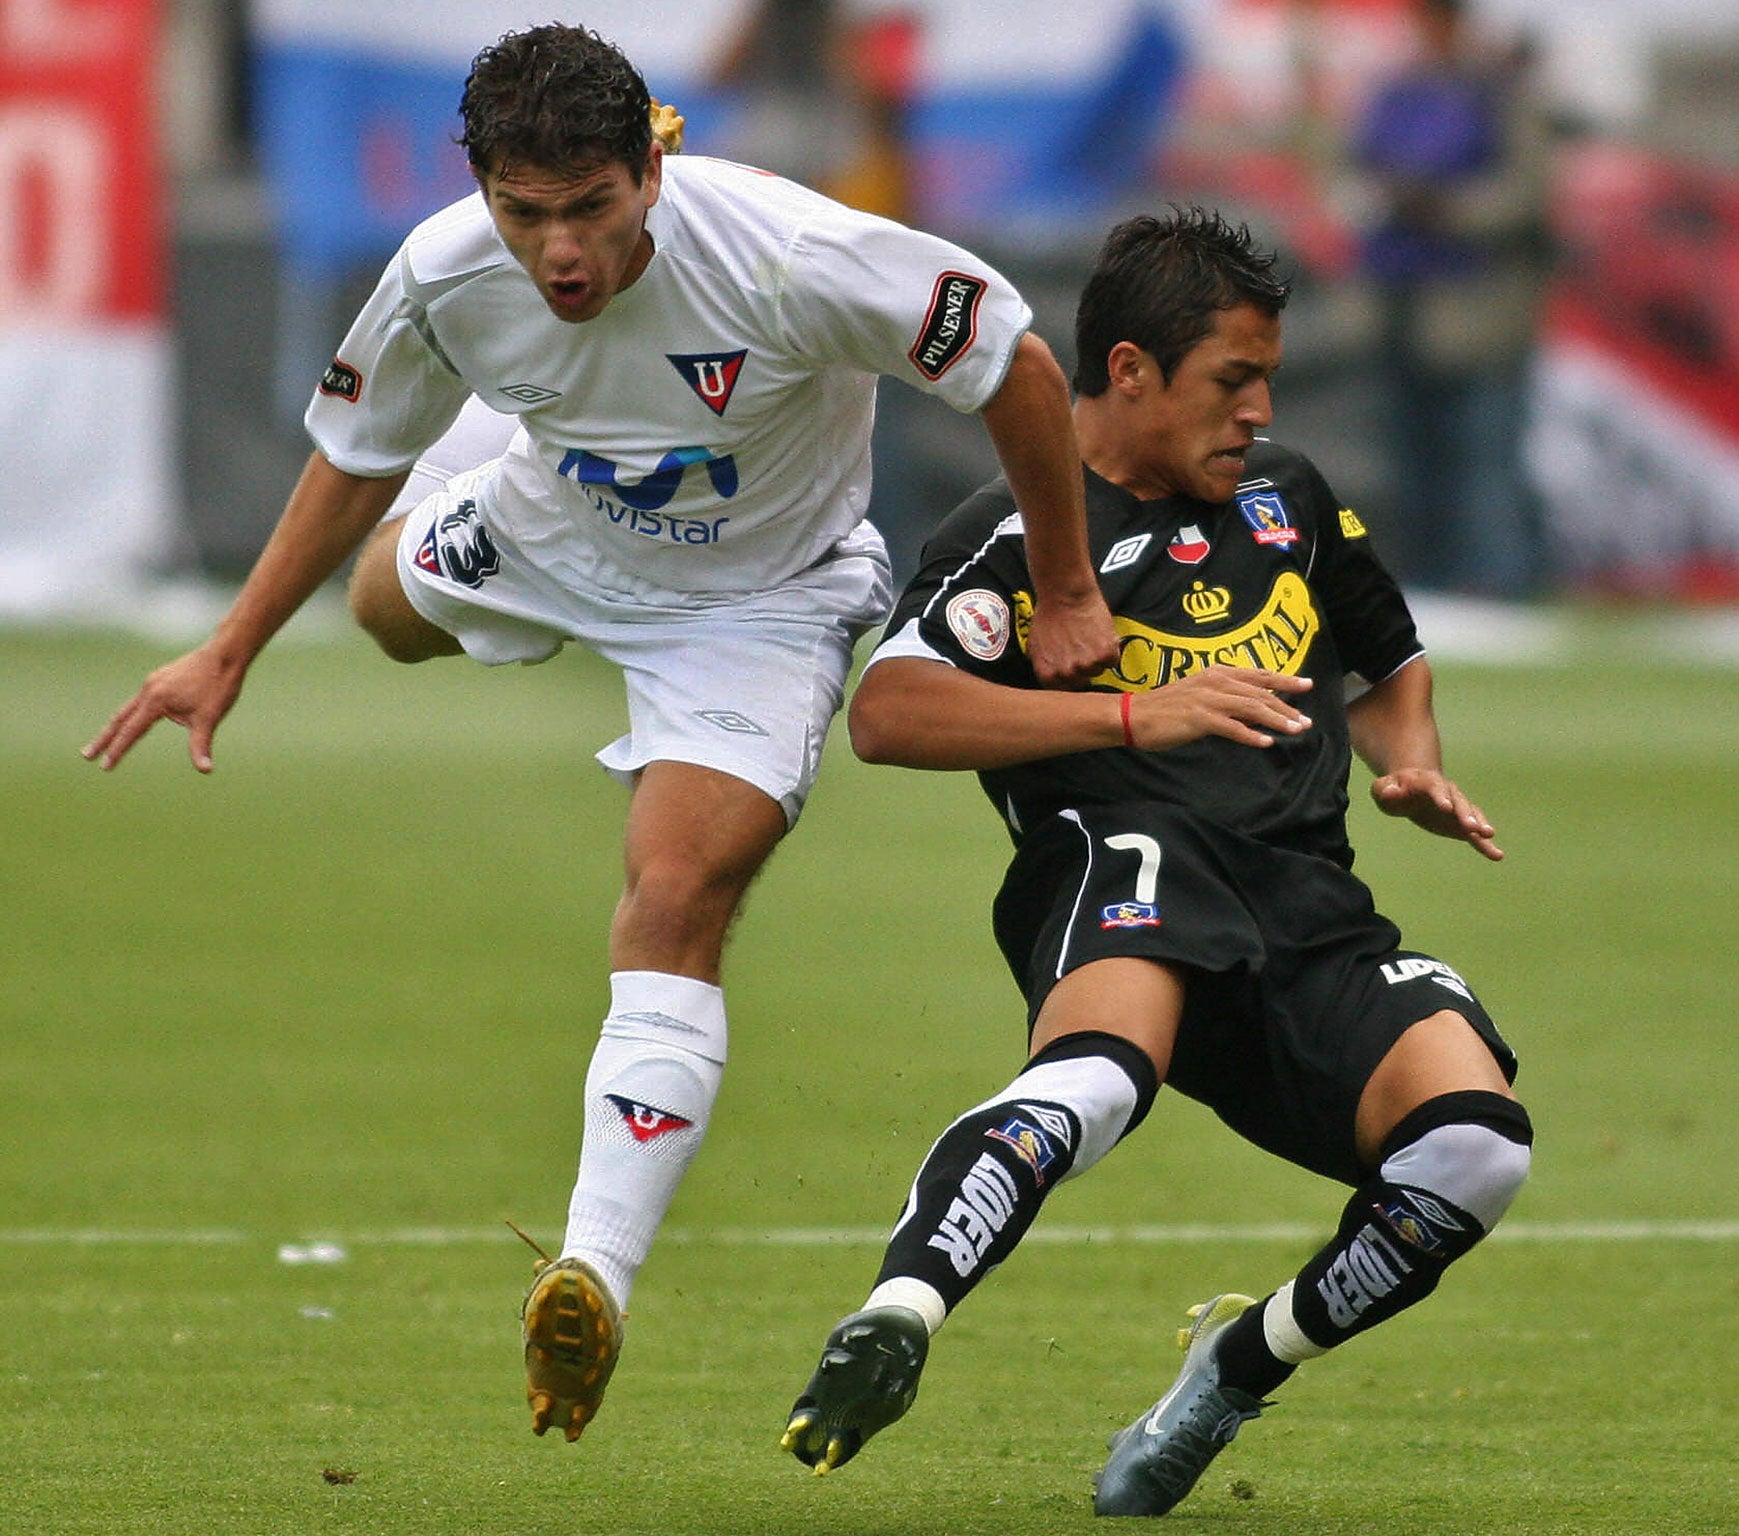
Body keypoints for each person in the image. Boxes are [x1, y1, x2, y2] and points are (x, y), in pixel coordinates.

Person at [84, 22, 1115, 1444]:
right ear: (485, 191)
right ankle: (483, 472)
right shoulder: (447, 270)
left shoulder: (789, 257)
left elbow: (1018, 367)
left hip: (754, 603)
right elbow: (351, 451)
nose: (558, 249)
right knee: (384, 607)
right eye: (525, 213)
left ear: (654, 162)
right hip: (553, 524)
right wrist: (231, 645)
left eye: (589, 208)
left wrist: (1067, 587)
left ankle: (591, 1276)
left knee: (676, 891)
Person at [780, 208, 1531, 1515]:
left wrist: (1406, 760)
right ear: (1130, 371)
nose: (1258, 410)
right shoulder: (1017, 534)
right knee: (1095, 1086)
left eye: (1268, 382)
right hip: (1126, 869)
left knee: (1477, 1153)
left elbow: (1389, 657)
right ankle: (896, 1315)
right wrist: (1129, 714)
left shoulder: (1288, 498)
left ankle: (1235, 1371)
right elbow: (888, 714)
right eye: (1232, 380)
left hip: (1308, 911)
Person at [1353, 0, 1553, 598]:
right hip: (1397, 304)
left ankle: (1500, 583)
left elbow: (1529, 191)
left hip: (1478, 309)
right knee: (1411, 460)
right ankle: (1429, 583)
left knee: (1484, 456)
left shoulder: (1499, 93)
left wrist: (1445, 208)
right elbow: (1347, 172)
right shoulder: (1392, 92)